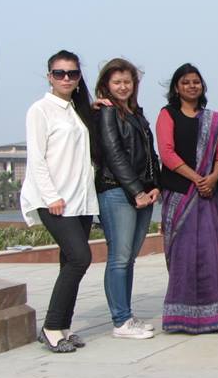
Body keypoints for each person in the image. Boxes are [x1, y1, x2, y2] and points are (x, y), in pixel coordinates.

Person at [21, 49, 99, 353]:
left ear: (79, 77)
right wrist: (51, 196)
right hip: (54, 200)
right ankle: (51, 326)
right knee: (81, 258)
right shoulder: (40, 110)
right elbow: (36, 158)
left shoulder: (77, 111)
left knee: (70, 261)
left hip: (80, 200)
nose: (66, 78)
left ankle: (62, 327)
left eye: (72, 73)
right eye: (59, 73)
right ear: (49, 76)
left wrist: (95, 108)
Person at [155, 64, 218, 334]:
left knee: (211, 254)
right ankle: (182, 317)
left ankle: (214, 315)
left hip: (208, 195)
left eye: (196, 82)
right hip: (180, 192)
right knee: (184, 254)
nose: (191, 86)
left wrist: (212, 177)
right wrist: (196, 178)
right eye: (185, 82)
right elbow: (166, 153)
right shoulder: (168, 114)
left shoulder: (212, 119)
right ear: (176, 87)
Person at [94, 58, 161, 340]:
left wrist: (155, 184)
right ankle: (121, 320)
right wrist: (136, 191)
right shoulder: (107, 113)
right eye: (117, 82)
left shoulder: (135, 113)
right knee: (119, 258)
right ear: (106, 85)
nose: (123, 87)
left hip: (142, 192)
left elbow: (150, 154)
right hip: (117, 191)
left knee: (129, 258)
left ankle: (127, 315)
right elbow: (114, 155)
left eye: (127, 82)